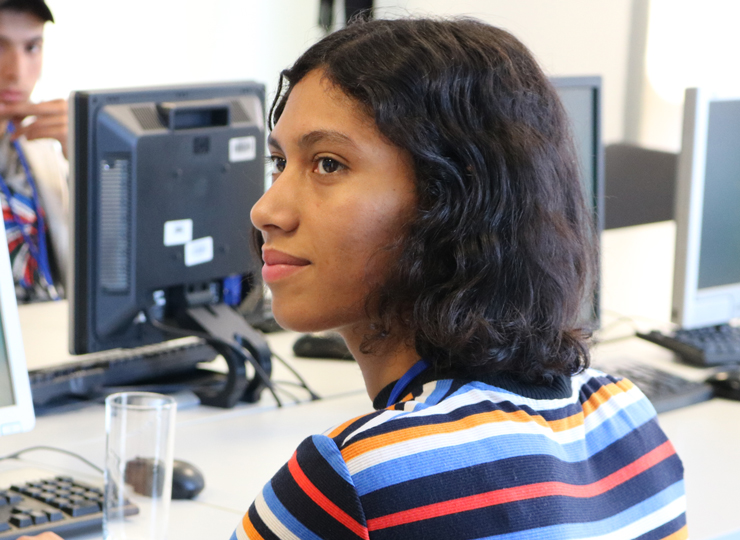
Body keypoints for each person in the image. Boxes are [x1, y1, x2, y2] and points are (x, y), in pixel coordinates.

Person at [21, 15, 687, 540]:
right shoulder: (626, 415)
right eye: (278, 163)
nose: (265, 210)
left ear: (453, 200)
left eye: (329, 165)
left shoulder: (359, 479)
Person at [0, 0, 68, 302]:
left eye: (31, 47)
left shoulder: (42, 147)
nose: (16, 73)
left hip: (53, 321)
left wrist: (92, 158)